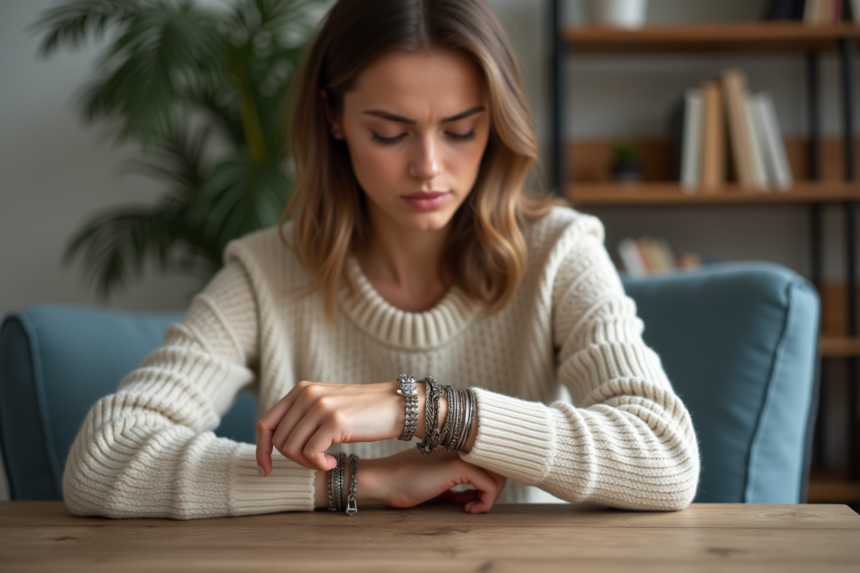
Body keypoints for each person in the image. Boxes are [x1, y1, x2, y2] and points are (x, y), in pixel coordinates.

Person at [63, 0, 700, 520]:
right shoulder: (266, 274)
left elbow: (667, 459)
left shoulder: (561, 253)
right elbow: (103, 458)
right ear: (333, 117)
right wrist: (362, 480)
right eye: (390, 133)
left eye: (460, 130)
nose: (428, 165)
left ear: (496, 123)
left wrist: (421, 407)